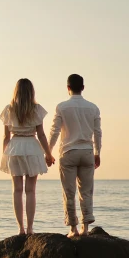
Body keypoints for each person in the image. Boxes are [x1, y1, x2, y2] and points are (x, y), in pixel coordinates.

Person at [48, 74, 101, 237]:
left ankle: (73, 229)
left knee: (69, 192)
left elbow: (55, 131)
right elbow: (97, 132)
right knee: (86, 191)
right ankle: (85, 227)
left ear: (68, 88)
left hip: (68, 152)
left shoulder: (62, 107)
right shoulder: (93, 108)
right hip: (86, 151)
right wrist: (98, 152)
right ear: (83, 88)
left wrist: (48, 151)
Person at [0, 78, 55, 235]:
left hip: (14, 147)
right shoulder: (36, 109)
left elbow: (5, 137)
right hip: (32, 147)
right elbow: (42, 134)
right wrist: (49, 154)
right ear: (32, 92)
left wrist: (5, 153)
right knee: (30, 191)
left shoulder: (9, 109)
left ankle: (21, 229)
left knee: (17, 190)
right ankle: (30, 228)